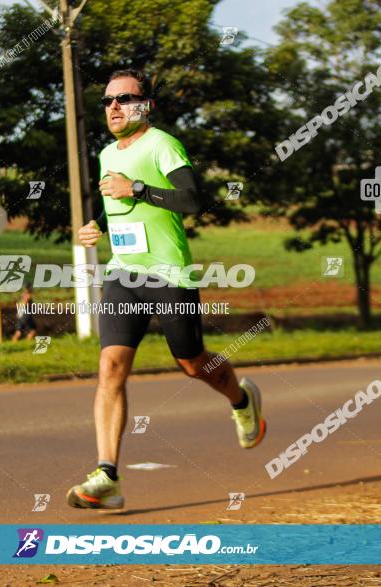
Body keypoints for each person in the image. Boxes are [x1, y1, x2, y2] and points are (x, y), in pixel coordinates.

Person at [65, 69, 266, 510]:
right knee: (110, 369)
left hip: (168, 275)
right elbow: (113, 201)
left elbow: (193, 199)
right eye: (107, 101)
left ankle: (241, 397)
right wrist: (97, 223)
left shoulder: (163, 144)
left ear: (145, 105)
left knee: (193, 364)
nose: (113, 107)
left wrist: (135, 187)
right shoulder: (104, 153)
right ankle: (107, 476)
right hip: (123, 274)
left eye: (124, 98)